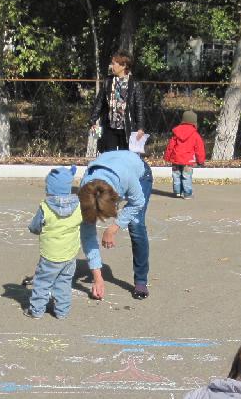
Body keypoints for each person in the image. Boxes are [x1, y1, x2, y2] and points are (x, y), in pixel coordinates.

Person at [78, 149, 153, 300]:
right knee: (87, 220)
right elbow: (87, 235)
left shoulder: (126, 177)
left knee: (136, 225)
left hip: (139, 174)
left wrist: (114, 227)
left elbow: (138, 202)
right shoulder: (85, 190)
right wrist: (97, 277)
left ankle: (141, 281)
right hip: (112, 168)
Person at [24, 166, 82, 319]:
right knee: (64, 282)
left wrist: (34, 229)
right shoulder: (78, 206)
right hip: (70, 254)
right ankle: (62, 311)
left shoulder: (45, 207)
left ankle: (36, 310)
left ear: (50, 189)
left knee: (42, 282)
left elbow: (35, 226)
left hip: (50, 254)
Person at [89, 52, 146, 153]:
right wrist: (93, 121)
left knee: (125, 156)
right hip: (109, 127)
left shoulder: (135, 84)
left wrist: (140, 127)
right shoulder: (108, 81)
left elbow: (139, 107)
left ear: (124, 66)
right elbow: (99, 102)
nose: (112, 66)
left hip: (127, 128)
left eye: (114, 63)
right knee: (108, 155)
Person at [163, 110, 206, 199]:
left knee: (176, 175)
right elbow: (199, 149)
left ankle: (177, 192)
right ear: (194, 122)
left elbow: (170, 146)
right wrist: (200, 161)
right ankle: (187, 193)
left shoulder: (176, 133)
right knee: (186, 176)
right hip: (188, 160)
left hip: (176, 159)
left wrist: (167, 157)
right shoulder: (195, 135)